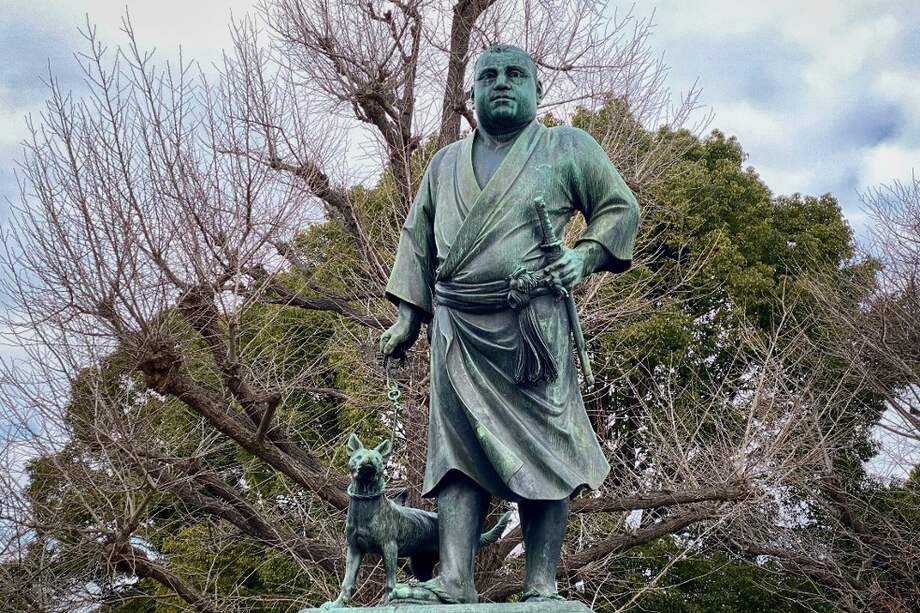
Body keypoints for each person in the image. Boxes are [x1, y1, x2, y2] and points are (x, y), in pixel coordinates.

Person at [379, 43, 639, 604]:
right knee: (455, 448)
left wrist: (583, 255)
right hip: (456, 324)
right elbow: (416, 238)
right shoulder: (445, 162)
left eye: (515, 74)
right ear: (471, 93)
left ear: (537, 90)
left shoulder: (567, 147)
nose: (502, 83)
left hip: (532, 326)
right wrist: (407, 316)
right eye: (489, 76)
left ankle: (541, 583)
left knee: (547, 442)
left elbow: (620, 208)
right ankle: (453, 577)